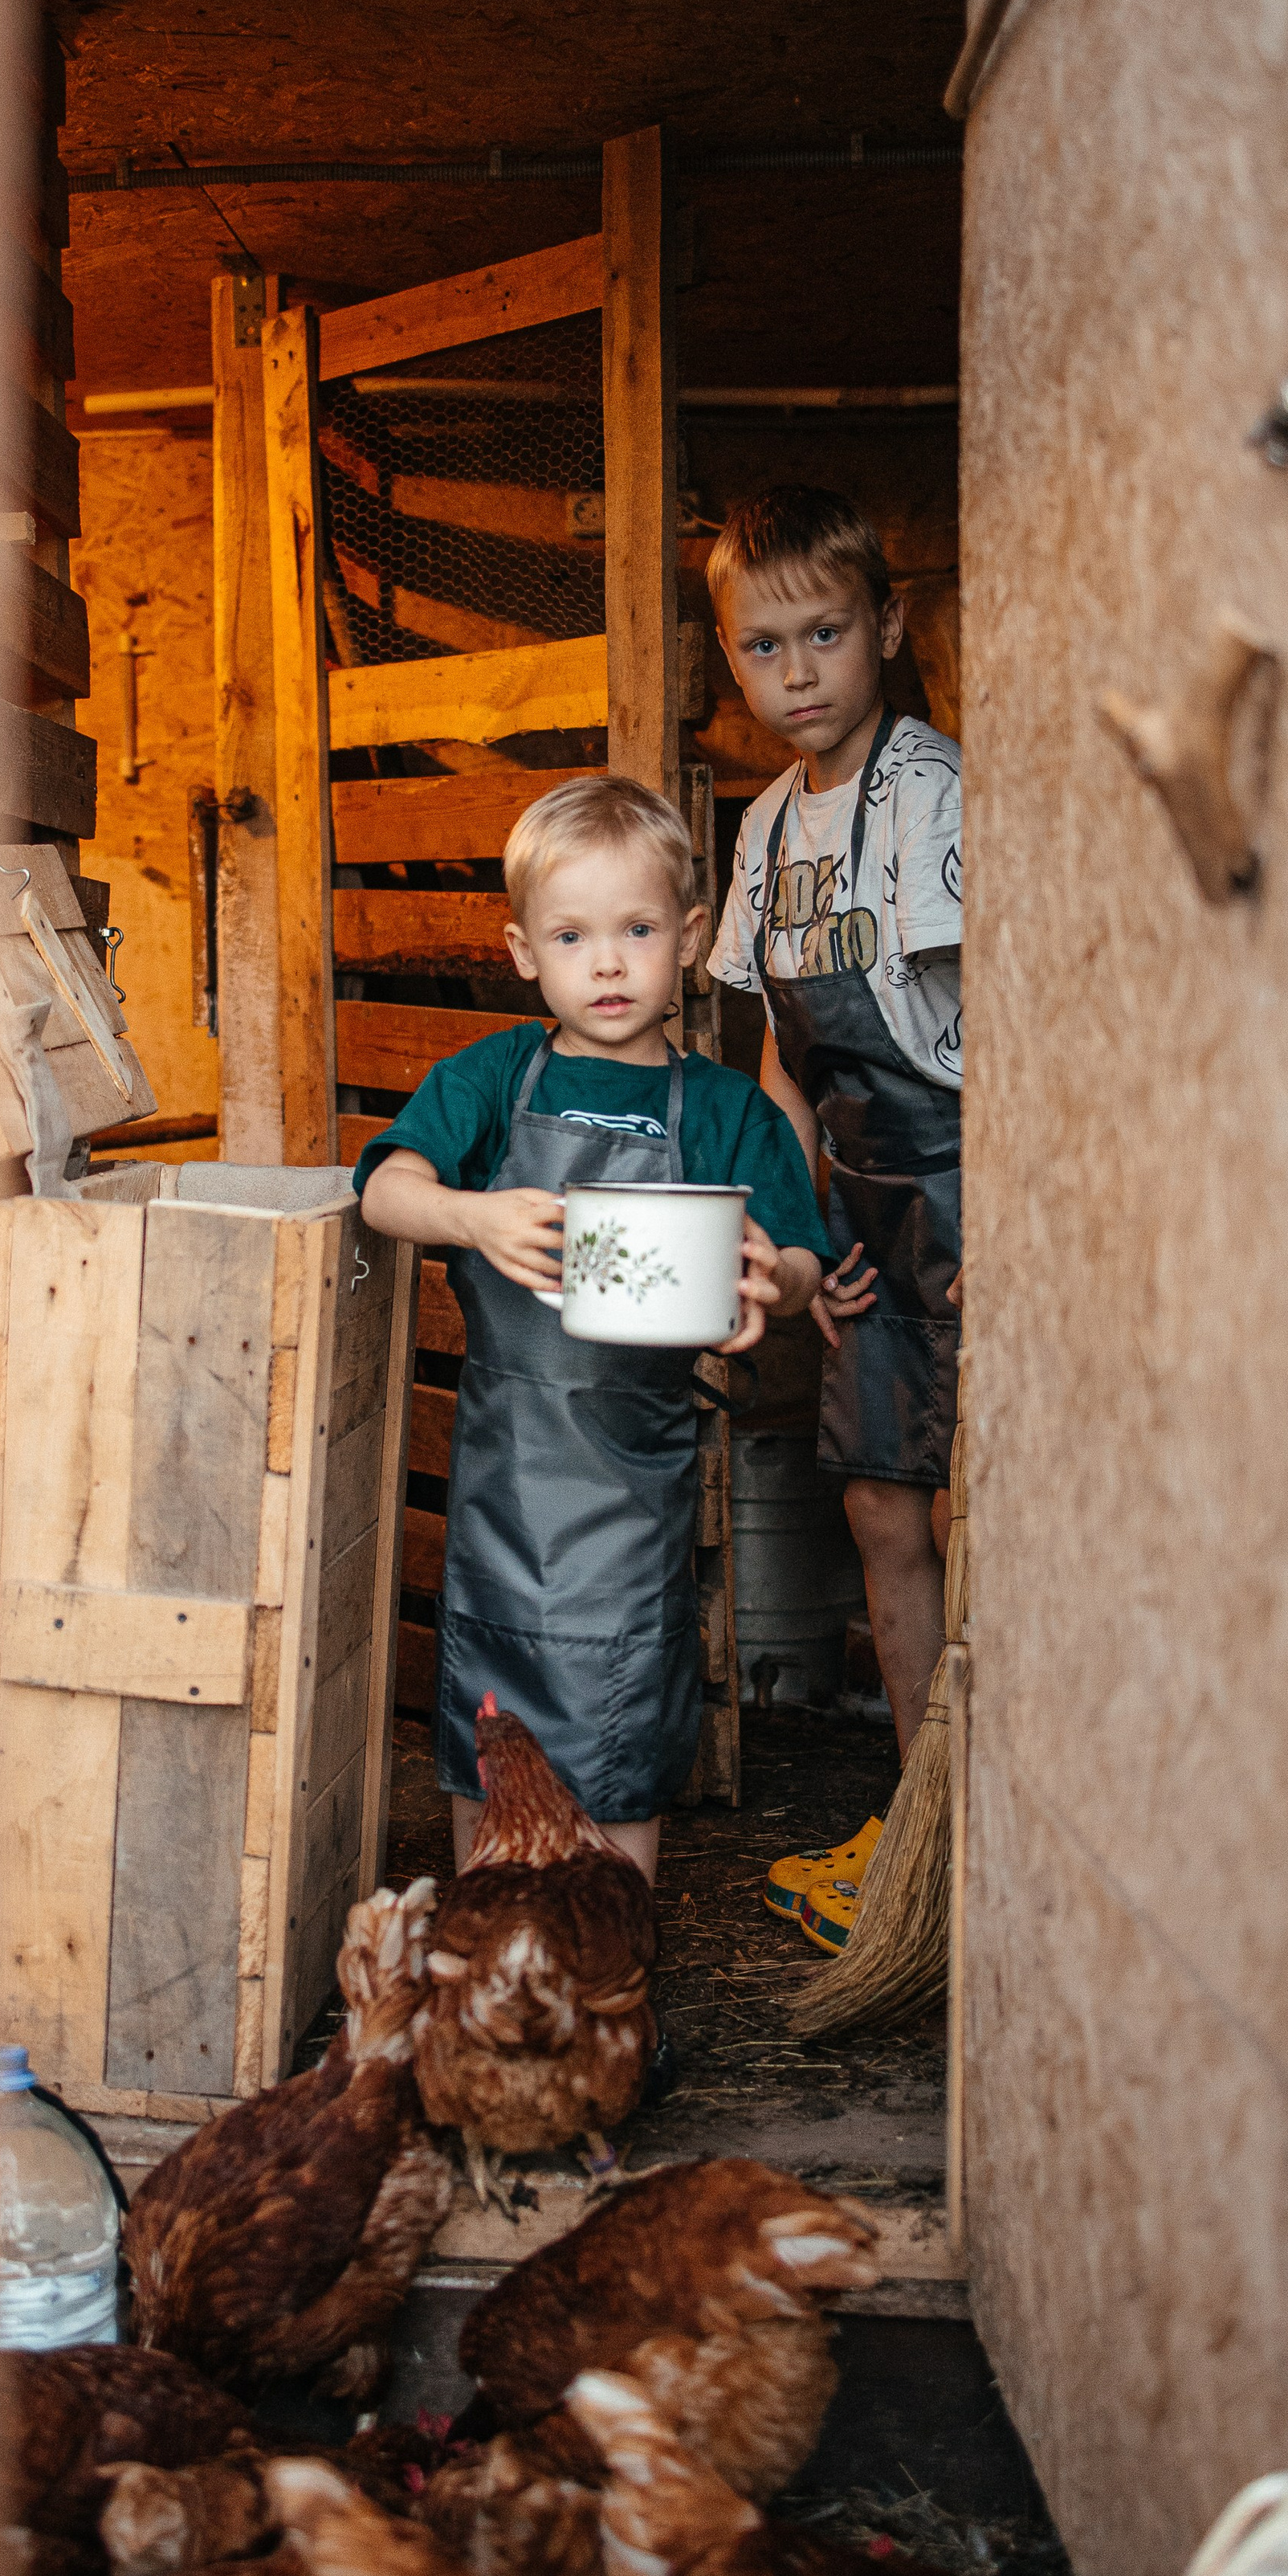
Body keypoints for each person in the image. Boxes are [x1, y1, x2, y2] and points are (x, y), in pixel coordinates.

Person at [356, 772, 828, 1929]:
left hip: (637, 1480)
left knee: (625, 1724)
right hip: (507, 1483)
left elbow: (805, 1258)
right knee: (487, 1730)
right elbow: (385, 1188)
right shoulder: (489, 1082)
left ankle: (609, 1978)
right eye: (573, 936)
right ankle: (484, 1954)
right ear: (524, 951)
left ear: (694, 940)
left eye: (638, 931)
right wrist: (473, 1215)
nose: (607, 964)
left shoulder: (725, 1112)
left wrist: (771, 1275)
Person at [705, 484, 963, 1955]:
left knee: (977, 1508)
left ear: (886, 628)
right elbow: (783, 1060)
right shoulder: (762, 834)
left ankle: (1001, 1807)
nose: (795, 673)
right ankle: (926, 1812)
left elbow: (988, 1014)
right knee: (877, 1501)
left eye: (823, 635)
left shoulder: (930, 791)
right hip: (864, 1201)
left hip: (969, 1180)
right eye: (760, 647)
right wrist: (805, 1238)